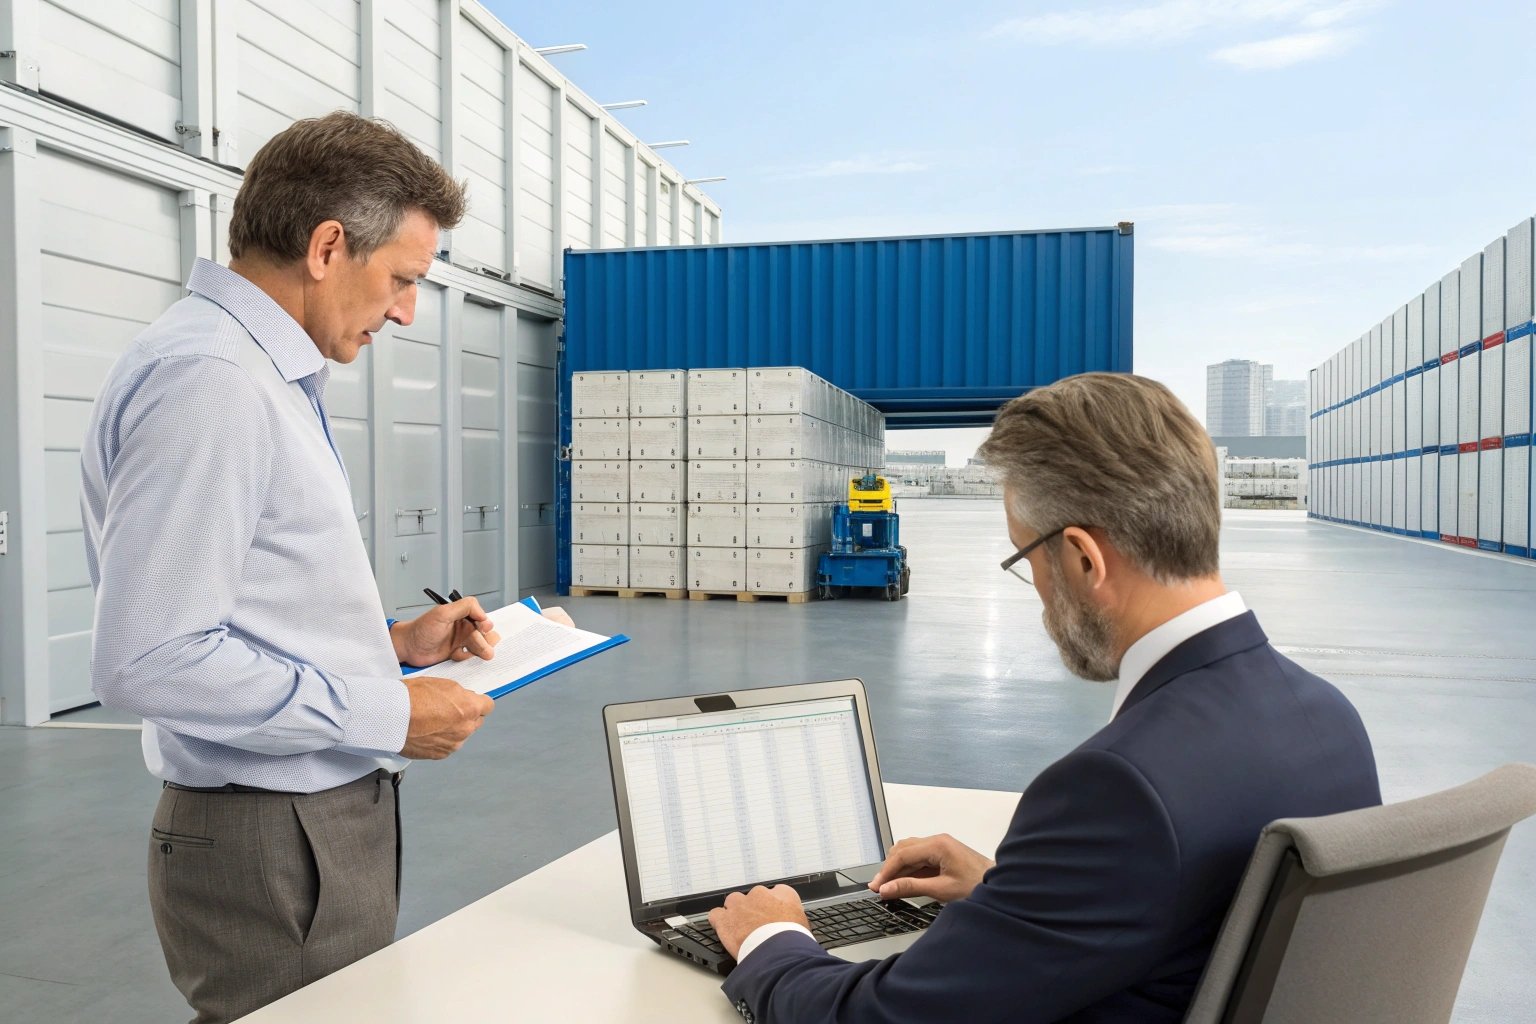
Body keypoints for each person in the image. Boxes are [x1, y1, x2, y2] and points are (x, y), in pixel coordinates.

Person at [79, 112, 565, 1024]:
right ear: (329, 245)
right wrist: (386, 711)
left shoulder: (256, 375)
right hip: (269, 832)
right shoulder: (213, 380)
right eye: (403, 280)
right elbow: (146, 656)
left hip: (298, 822)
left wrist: (390, 644)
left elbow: (246, 606)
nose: (406, 311)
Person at [709, 373, 1381, 1024]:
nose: (1032, 586)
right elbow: (1183, 912)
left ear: (1084, 559)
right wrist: (1012, 899)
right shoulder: (1328, 718)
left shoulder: (1118, 787)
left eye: (1023, 558)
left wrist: (773, 941)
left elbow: (881, 1017)